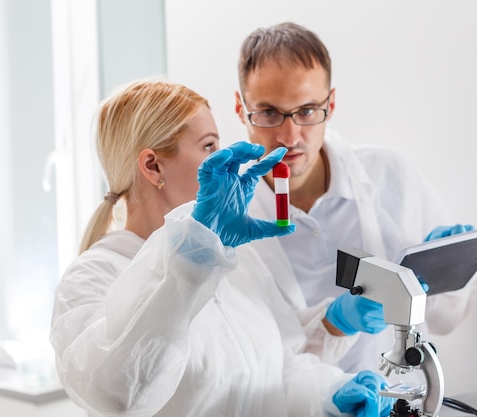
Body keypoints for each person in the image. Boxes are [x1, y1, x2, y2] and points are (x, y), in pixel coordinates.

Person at [49, 79, 396, 417]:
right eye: (209, 146)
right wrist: (191, 259)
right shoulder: (92, 277)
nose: (226, 159)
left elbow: (282, 367)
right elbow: (121, 394)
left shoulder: (234, 259)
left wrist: (329, 394)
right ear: (154, 166)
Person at [235, 22, 475, 373]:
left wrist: (443, 272)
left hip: (397, 398)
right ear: (242, 110)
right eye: (269, 112)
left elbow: (449, 318)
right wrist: (335, 322)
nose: (289, 136)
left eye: (306, 111)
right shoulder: (230, 220)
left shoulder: (389, 176)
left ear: (330, 104)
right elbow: (245, 362)